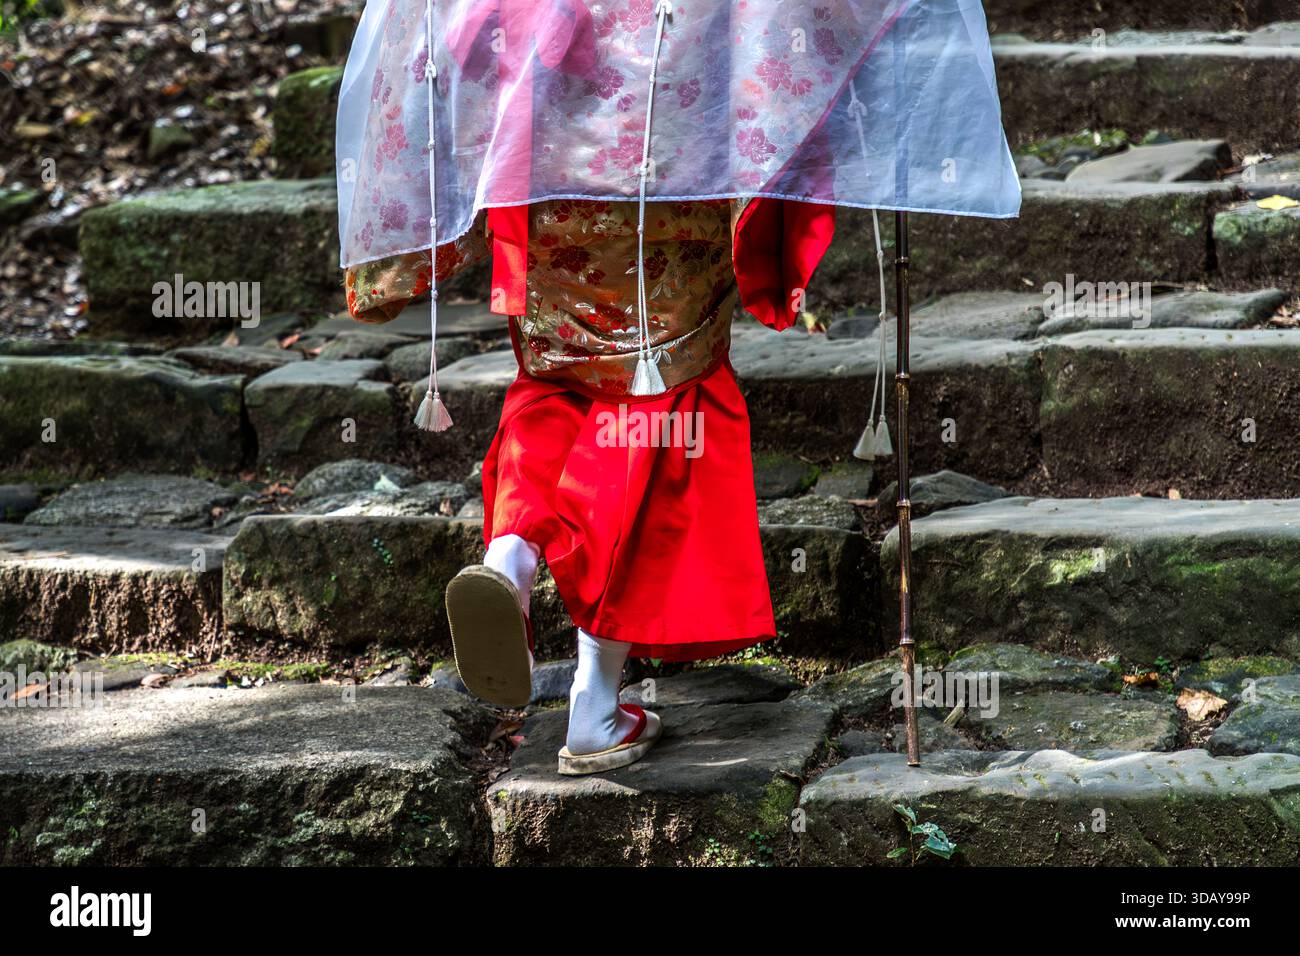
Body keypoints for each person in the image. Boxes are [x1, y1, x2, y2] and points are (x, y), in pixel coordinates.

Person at [336, 0, 1020, 774]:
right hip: (676, 158)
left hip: (541, 161)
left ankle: (509, 558)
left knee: (556, 379)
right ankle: (594, 704)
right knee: (657, 409)